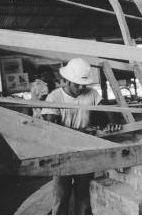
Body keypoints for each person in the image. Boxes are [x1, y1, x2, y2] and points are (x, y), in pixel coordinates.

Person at [41, 58, 121, 214]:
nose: (80, 87)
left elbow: (109, 110)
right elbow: (51, 129)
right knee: (61, 198)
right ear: (66, 81)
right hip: (62, 154)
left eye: (83, 84)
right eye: (76, 84)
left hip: (85, 152)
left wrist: (113, 122)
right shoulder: (54, 98)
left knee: (84, 198)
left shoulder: (91, 93)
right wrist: (83, 133)